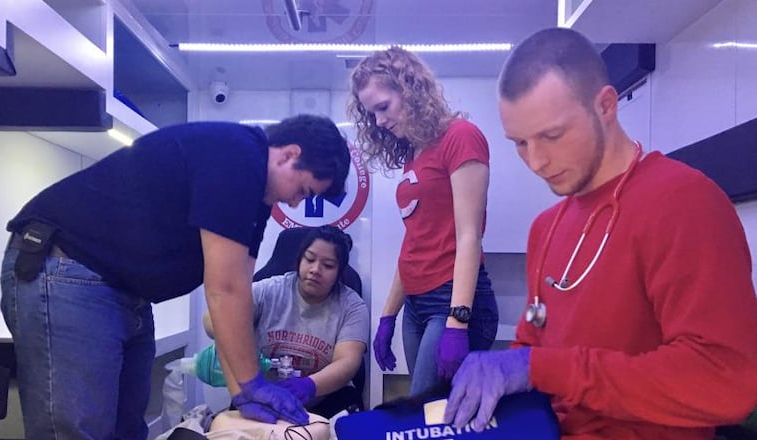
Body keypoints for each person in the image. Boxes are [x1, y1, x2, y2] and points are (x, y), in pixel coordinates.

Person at [444, 27, 757, 439]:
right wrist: (498, 376)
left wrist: (540, 368)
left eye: (552, 136)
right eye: (519, 142)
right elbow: (535, 340)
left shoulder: (685, 203)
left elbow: (726, 381)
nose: (536, 161)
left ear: (606, 105)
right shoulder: (546, 228)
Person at [0, 115, 351, 439]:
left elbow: (239, 289)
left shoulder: (258, 200)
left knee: (125, 430)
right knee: (78, 431)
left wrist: (240, 391)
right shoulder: (238, 155)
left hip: (124, 292)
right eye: (303, 190)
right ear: (290, 154)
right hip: (69, 272)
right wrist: (251, 383)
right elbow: (224, 289)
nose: (294, 203)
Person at [348, 46, 499, 396]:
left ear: (410, 90)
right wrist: (388, 315)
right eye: (372, 115)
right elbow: (415, 240)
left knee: (434, 418)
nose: (379, 121)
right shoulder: (414, 154)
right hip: (416, 305)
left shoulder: (460, 136)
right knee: (425, 414)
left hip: (451, 301)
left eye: (383, 108)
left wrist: (458, 320)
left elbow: (469, 236)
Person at [204, 225, 369, 418]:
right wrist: (235, 335)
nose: (315, 269)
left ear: (339, 272)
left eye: (328, 265)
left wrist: (310, 385)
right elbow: (213, 319)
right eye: (309, 259)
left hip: (324, 399)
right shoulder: (268, 290)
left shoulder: (352, 307)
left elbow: (348, 362)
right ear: (299, 259)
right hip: (263, 398)